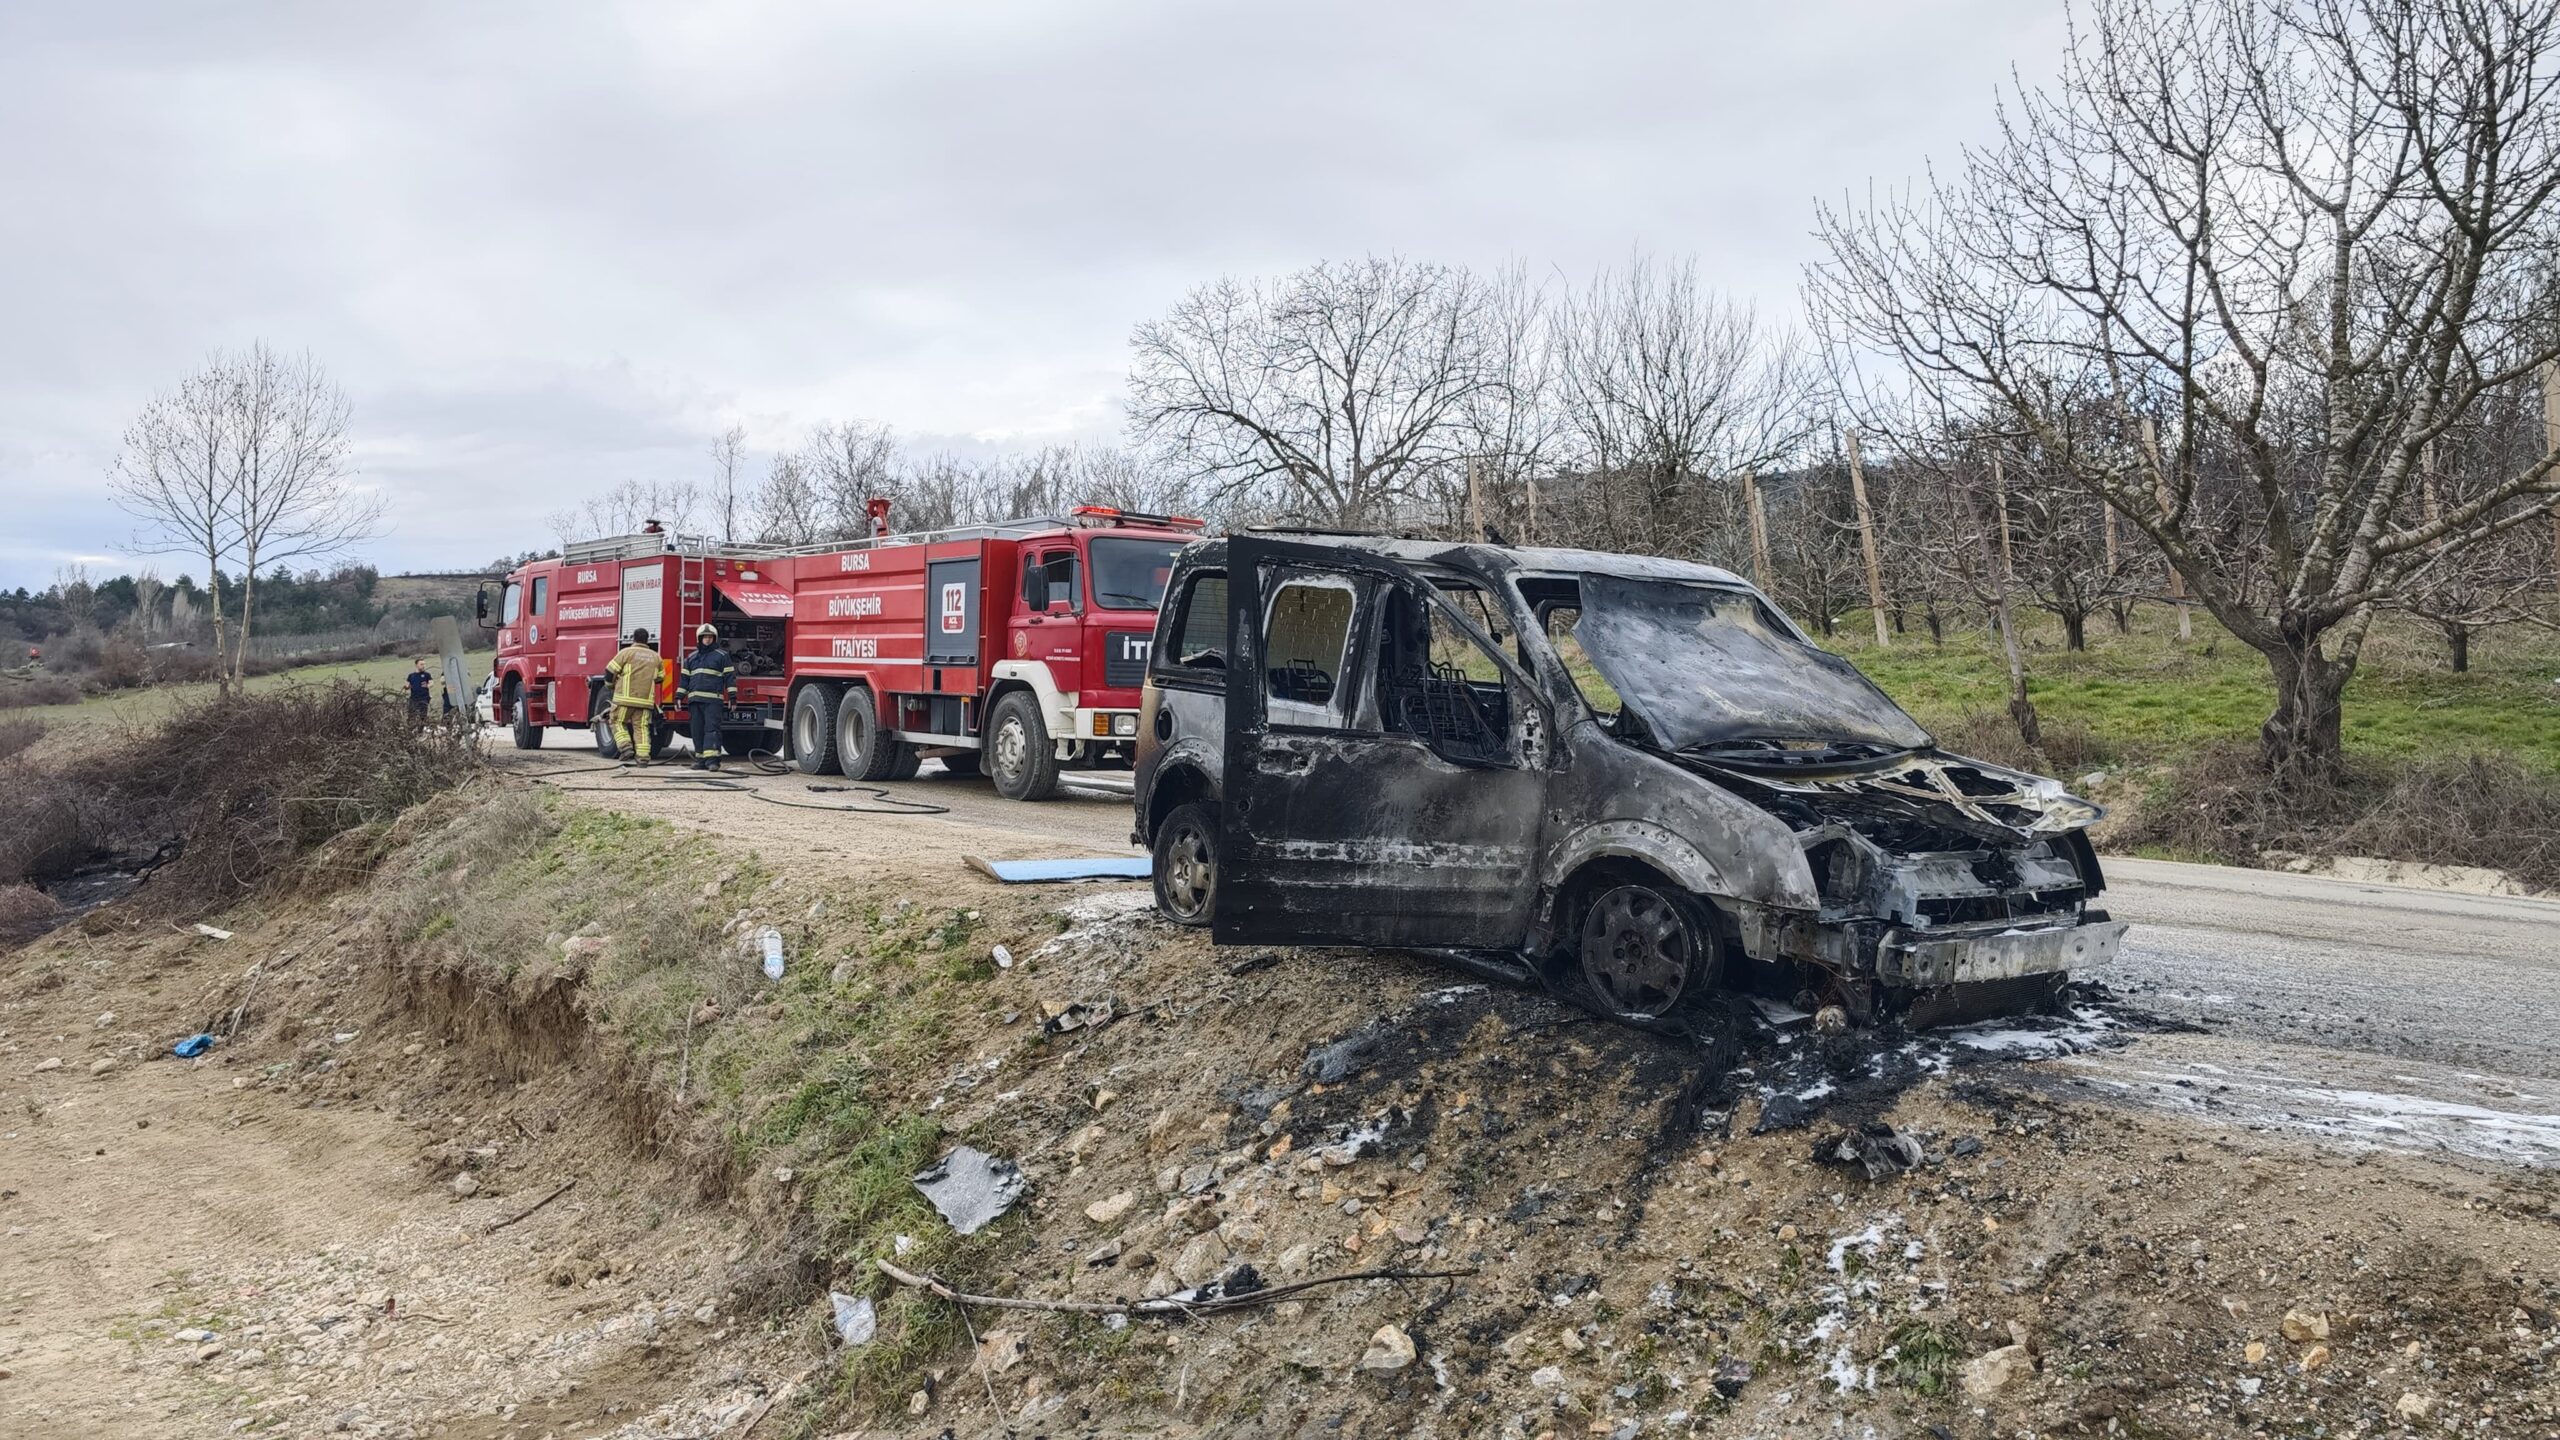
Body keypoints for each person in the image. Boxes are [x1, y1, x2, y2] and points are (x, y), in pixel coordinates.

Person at [678, 623, 738, 771]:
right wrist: (678, 697)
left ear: (714, 638)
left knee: (712, 730)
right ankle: (700, 760)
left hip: (713, 701)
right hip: (694, 701)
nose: (707, 640)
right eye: (704, 637)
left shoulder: (722, 656)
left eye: (710, 637)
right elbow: (684, 679)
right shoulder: (691, 658)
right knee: (697, 730)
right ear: (699, 639)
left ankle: (713, 761)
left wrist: (732, 697)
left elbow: (730, 678)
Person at [601, 627, 661, 764]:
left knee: (616, 721)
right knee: (641, 727)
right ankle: (643, 757)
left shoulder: (625, 653)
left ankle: (625, 746)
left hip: (624, 700)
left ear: (633, 639)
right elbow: (660, 678)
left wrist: (610, 685)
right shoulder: (656, 657)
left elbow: (610, 671)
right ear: (648, 640)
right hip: (645, 701)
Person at [405, 659, 432, 724]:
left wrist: (428, 685)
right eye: (421, 664)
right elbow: (407, 685)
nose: (423, 666)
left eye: (424, 664)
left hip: (424, 698)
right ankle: (411, 730)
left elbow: (431, 683)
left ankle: (421, 730)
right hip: (413, 699)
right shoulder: (411, 675)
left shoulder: (426, 674)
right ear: (416, 665)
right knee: (411, 716)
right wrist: (406, 687)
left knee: (423, 716)